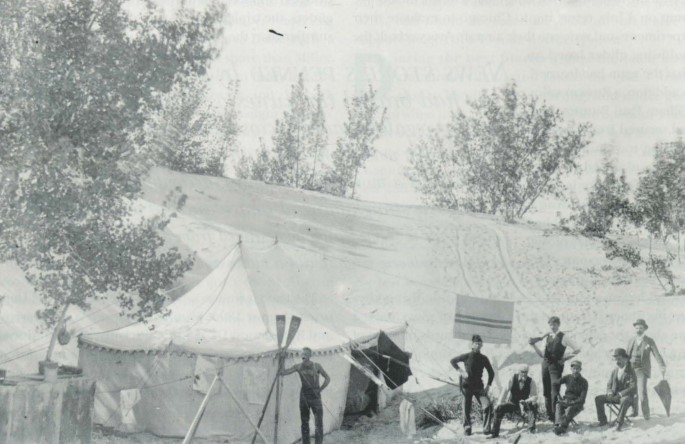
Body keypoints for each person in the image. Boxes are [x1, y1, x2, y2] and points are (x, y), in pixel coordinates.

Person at [529, 316, 581, 421]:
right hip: (545, 364)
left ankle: (556, 416)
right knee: (546, 391)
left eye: (555, 324)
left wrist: (565, 358)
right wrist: (533, 346)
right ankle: (550, 416)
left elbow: (577, 349)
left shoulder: (564, 337)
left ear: (558, 325)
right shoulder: (547, 336)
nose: (552, 327)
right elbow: (542, 354)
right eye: (551, 325)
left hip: (556, 366)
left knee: (555, 391)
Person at [281, 347, 331, 444]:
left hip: (315, 397)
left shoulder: (317, 366)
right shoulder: (298, 366)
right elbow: (283, 372)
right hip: (304, 397)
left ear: (310, 356)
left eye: (306, 354)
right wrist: (282, 359)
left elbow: (328, 378)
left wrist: (320, 390)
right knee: (304, 423)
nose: (304, 356)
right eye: (302, 354)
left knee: (318, 423)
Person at [450, 334, 495, 436]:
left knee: (487, 405)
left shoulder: (484, 358)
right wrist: (461, 371)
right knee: (466, 408)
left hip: (479, 387)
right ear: (472, 345)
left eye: (480, 344)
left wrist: (488, 386)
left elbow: (491, 373)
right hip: (467, 387)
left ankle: (486, 429)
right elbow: (452, 361)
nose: (478, 345)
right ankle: (467, 428)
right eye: (476, 344)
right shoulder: (466, 356)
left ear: (481, 345)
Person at [626, 318, 666, 420]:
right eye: (637, 328)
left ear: (645, 329)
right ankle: (634, 412)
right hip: (631, 369)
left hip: (642, 370)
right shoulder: (631, 340)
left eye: (641, 328)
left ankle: (646, 415)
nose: (638, 330)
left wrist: (662, 365)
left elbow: (656, 354)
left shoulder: (649, 341)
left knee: (642, 392)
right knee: (632, 391)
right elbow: (627, 356)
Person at [488, 364, 539, 438]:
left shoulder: (531, 381)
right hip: (513, 403)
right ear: (519, 372)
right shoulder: (512, 378)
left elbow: (535, 396)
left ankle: (531, 429)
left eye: (526, 372)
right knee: (499, 408)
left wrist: (527, 401)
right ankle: (495, 433)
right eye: (522, 372)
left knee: (533, 405)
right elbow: (505, 391)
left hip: (525, 404)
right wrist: (499, 403)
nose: (524, 374)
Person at [593, 348, 636, 431]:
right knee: (598, 399)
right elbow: (609, 384)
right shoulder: (614, 371)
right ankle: (603, 421)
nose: (617, 362)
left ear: (625, 359)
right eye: (616, 359)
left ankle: (619, 423)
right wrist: (609, 393)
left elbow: (632, 387)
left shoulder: (631, 371)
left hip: (627, 397)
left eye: (619, 359)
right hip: (614, 396)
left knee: (624, 400)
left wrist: (620, 394)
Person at [554, 360, 588, 435]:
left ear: (580, 369)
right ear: (571, 369)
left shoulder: (584, 382)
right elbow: (555, 383)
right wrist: (557, 394)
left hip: (577, 403)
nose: (575, 371)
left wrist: (572, 402)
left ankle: (562, 427)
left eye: (577, 369)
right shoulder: (567, 377)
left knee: (570, 408)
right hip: (566, 400)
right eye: (574, 369)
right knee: (558, 404)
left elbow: (582, 399)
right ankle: (557, 424)